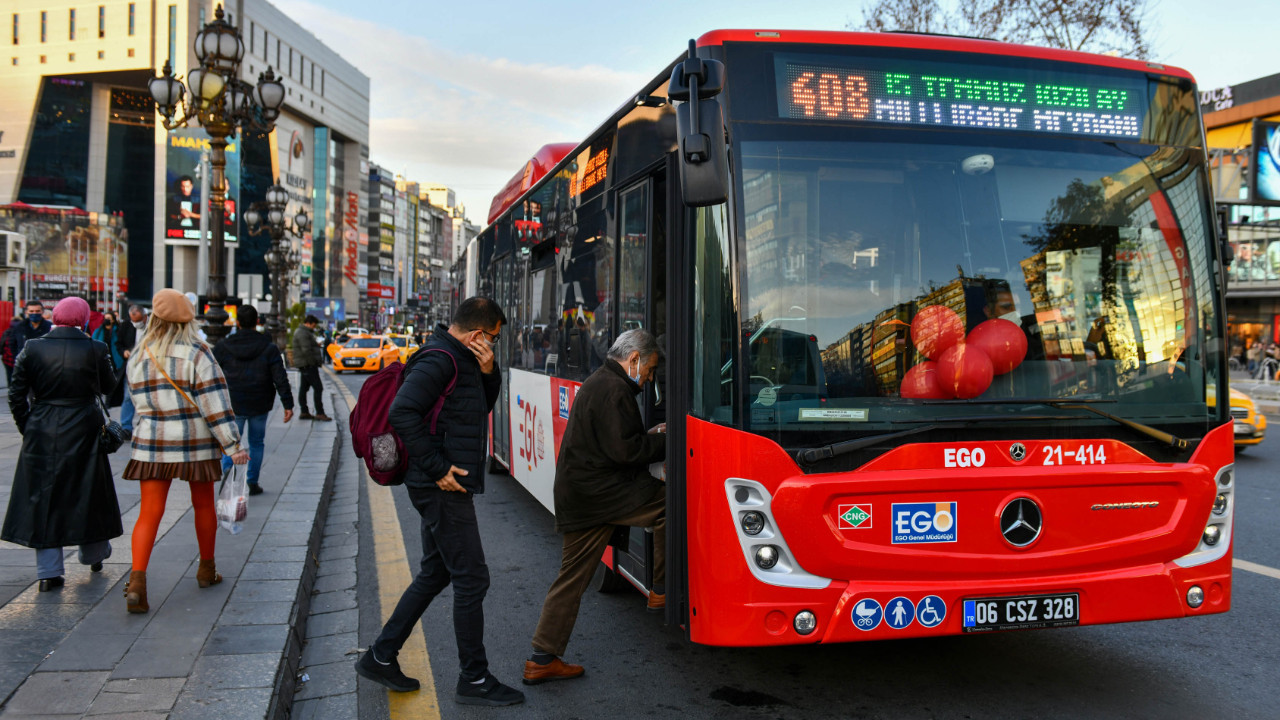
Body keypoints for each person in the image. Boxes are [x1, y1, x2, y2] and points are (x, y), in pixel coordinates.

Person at [355, 297, 525, 707]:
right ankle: (474, 679)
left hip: (441, 484)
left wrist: (488, 372)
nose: (495, 346)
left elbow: (473, 410)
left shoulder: (460, 359)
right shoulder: (441, 360)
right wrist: (437, 469)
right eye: (494, 340)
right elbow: (402, 411)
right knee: (472, 577)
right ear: (478, 335)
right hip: (440, 487)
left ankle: (380, 655)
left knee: (436, 571)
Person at [524, 329, 666, 685]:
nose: (649, 378)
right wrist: (666, 440)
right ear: (634, 360)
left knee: (571, 579)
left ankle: (541, 659)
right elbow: (626, 453)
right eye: (649, 370)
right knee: (670, 505)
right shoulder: (614, 390)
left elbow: (616, 442)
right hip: (603, 496)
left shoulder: (602, 382)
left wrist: (648, 437)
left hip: (582, 495)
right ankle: (661, 590)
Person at [121, 289, 248, 613]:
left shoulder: (140, 353)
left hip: (151, 443)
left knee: (150, 512)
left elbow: (136, 401)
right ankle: (206, 569)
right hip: (195, 442)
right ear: (188, 320)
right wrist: (233, 445)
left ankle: (137, 581)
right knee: (203, 504)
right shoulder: (198, 352)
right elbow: (215, 403)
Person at [1, 297, 122, 592]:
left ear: (54, 316)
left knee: (43, 497)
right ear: (82, 318)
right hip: (84, 425)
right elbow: (109, 388)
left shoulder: (32, 348)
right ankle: (92, 553)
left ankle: (49, 573)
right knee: (88, 490)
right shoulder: (96, 349)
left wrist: (28, 427)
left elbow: (16, 395)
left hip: (43, 425)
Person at [212, 305, 295, 496]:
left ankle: (228, 478)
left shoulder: (224, 346)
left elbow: (212, 373)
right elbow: (279, 376)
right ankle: (252, 482)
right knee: (257, 442)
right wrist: (287, 404)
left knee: (230, 442)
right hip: (259, 401)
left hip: (233, 402)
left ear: (238, 322)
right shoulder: (268, 347)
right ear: (257, 321)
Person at [116, 305, 148, 437]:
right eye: (133, 320)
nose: (135, 323)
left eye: (138, 320)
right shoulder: (126, 326)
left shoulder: (152, 327)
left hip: (146, 365)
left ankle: (144, 424)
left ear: (145, 317)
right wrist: (124, 352)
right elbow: (119, 343)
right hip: (131, 365)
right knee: (128, 396)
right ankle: (126, 427)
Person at [291, 315, 330, 421]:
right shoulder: (302, 333)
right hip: (307, 365)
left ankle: (304, 412)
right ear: (308, 323)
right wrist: (313, 363)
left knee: (304, 388)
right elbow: (306, 350)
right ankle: (319, 413)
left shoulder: (304, 332)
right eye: (313, 325)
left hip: (305, 364)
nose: (314, 327)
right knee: (318, 388)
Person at [93, 311, 126, 406]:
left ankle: (110, 401)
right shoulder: (99, 330)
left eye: (109, 318)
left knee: (115, 381)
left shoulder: (118, 330)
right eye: (106, 318)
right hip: (102, 358)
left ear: (113, 320)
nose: (107, 320)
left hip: (115, 359)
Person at [1, 316, 23, 386]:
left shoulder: (7, 331)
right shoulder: (21, 332)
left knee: (9, 373)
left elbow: (2, 343)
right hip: (18, 358)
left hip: (7, 358)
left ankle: (10, 387)